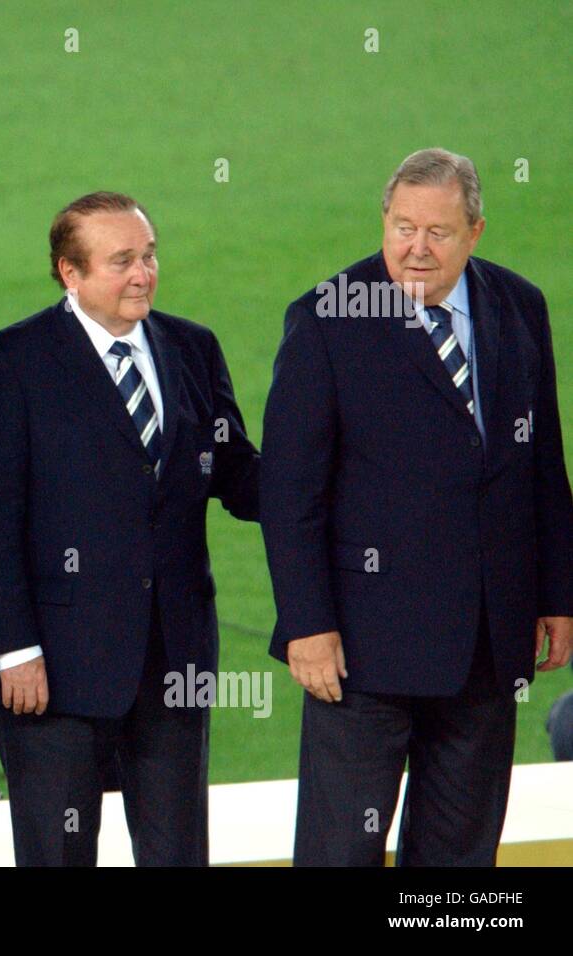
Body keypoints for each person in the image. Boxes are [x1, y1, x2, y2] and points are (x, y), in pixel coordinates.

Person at [261, 148, 573, 866]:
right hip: (364, 650)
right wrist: (307, 624)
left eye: (437, 232)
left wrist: (557, 592)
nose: (416, 248)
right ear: (385, 221)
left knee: (460, 855)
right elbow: (289, 488)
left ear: (475, 231)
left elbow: (541, 462)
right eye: (402, 227)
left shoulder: (518, 306)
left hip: (487, 643)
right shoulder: (327, 316)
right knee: (343, 851)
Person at [0, 191, 259, 866]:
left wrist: (335, 482)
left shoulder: (192, 347)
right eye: (122, 260)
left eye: (149, 255)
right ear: (70, 272)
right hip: (53, 667)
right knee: (60, 853)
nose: (143, 273)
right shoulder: (9, 363)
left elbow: (235, 472)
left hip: (174, 656)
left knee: (178, 853)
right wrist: (13, 649)